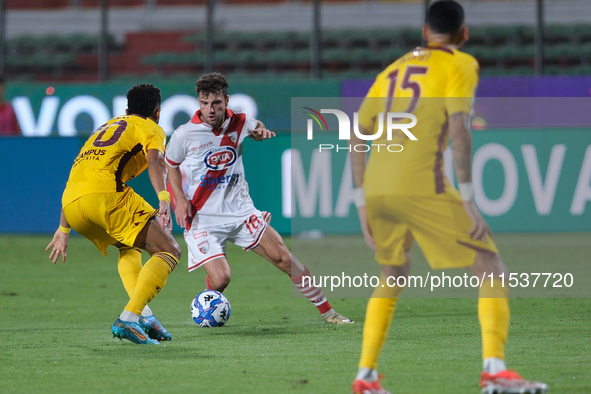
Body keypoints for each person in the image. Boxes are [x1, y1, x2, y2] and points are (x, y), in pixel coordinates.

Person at [349, 1, 548, 393]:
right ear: (464, 34)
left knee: (392, 272)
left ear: (425, 32)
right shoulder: (461, 64)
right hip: (421, 183)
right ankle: (494, 372)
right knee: (490, 264)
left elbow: (357, 132)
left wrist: (361, 201)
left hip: (378, 186)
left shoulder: (393, 68)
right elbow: (459, 128)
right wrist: (469, 197)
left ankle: (366, 377)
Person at [165, 72, 352, 324]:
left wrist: (261, 132)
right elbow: (171, 165)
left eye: (216, 103)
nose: (210, 109)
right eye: (204, 102)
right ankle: (208, 302)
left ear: (226, 100)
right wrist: (179, 198)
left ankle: (329, 312)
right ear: (199, 102)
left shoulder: (240, 121)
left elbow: (257, 126)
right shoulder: (184, 134)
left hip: (242, 212)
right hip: (203, 218)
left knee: (284, 258)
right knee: (221, 279)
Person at [46, 83, 181, 345]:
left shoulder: (105, 128)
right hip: (106, 197)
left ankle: (145, 316)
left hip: (72, 205)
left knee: (128, 247)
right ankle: (128, 318)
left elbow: (79, 175)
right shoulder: (151, 128)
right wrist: (164, 199)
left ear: (127, 109)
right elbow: (156, 161)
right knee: (169, 250)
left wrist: (63, 229)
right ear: (158, 112)